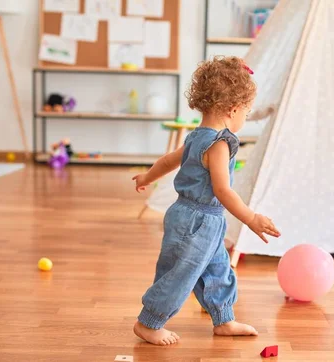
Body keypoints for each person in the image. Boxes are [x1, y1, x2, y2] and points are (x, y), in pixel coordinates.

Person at [131, 56, 280, 345]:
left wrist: (147, 177)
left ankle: (223, 319)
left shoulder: (195, 137)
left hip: (196, 219)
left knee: (218, 269)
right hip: (198, 221)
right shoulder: (220, 144)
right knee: (180, 274)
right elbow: (223, 191)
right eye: (246, 113)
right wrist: (251, 219)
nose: (244, 119)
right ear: (232, 109)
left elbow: (167, 161)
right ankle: (148, 322)